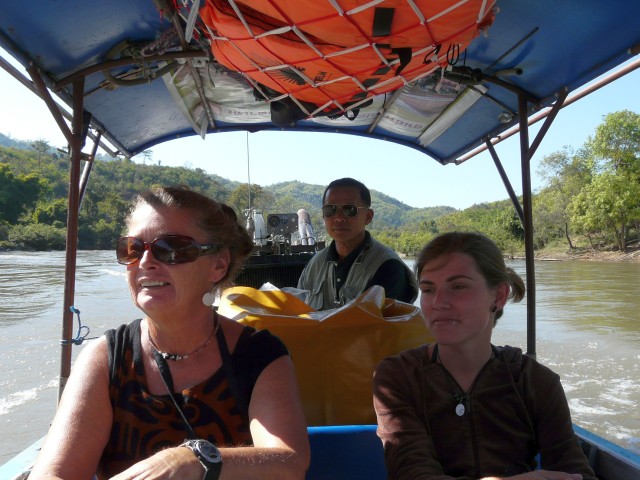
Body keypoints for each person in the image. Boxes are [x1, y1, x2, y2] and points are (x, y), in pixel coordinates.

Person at [29, 186, 310, 480]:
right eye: (133, 249)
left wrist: (192, 460)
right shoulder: (106, 358)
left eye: (172, 249)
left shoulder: (260, 355)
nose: (146, 262)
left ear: (218, 264)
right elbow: (53, 474)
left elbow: (289, 463)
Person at [373, 232, 597, 480]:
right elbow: (412, 472)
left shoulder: (534, 381)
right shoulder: (397, 376)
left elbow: (575, 472)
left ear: (499, 296)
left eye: (458, 286)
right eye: (428, 289)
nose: (438, 302)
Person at [297, 177, 418, 310]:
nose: (338, 218)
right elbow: (298, 313)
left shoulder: (387, 267)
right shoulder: (315, 265)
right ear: (323, 215)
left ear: (368, 216)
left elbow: (379, 327)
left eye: (350, 209)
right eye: (330, 210)